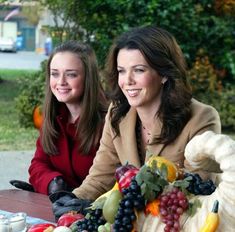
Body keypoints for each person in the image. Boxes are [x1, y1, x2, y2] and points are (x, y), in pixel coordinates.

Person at [51, 26, 221, 218]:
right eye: (121, 71)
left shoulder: (202, 118)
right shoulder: (117, 113)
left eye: (139, 70)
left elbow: (195, 196)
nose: (127, 80)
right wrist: (74, 200)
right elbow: (100, 177)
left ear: (164, 73)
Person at [19, 41, 107, 195]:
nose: (61, 82)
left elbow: (109, 179)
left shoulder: (108, 122)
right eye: (55, 74)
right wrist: (53, 182)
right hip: (57, 209)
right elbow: (38, 164)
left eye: (71, 74)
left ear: (88, 78)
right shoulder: (52, 115)